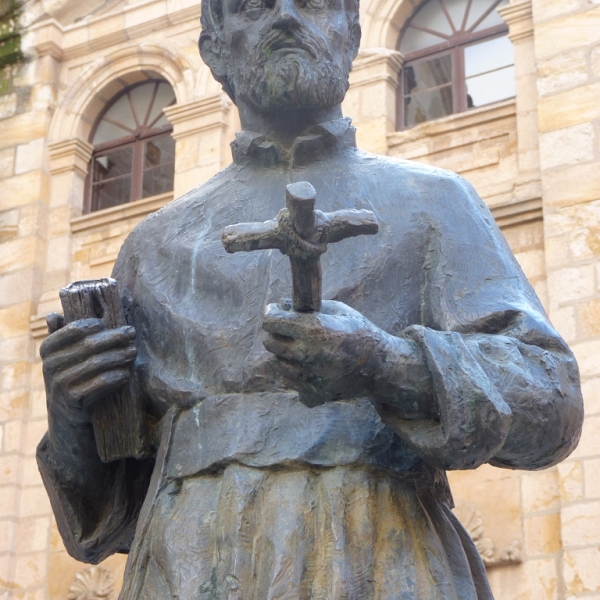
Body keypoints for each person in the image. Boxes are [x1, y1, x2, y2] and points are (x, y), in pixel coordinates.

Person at [37, 0, 584, 597]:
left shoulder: (436, 203)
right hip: (190, 564)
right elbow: (100, 527)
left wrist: (386, 364)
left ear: (350, 34)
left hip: (378, 553)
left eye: (317, 3)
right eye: (256, 6)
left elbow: (552, 404)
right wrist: (72, 415)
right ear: (214, 47)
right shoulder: (153, 247)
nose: (288, 18)